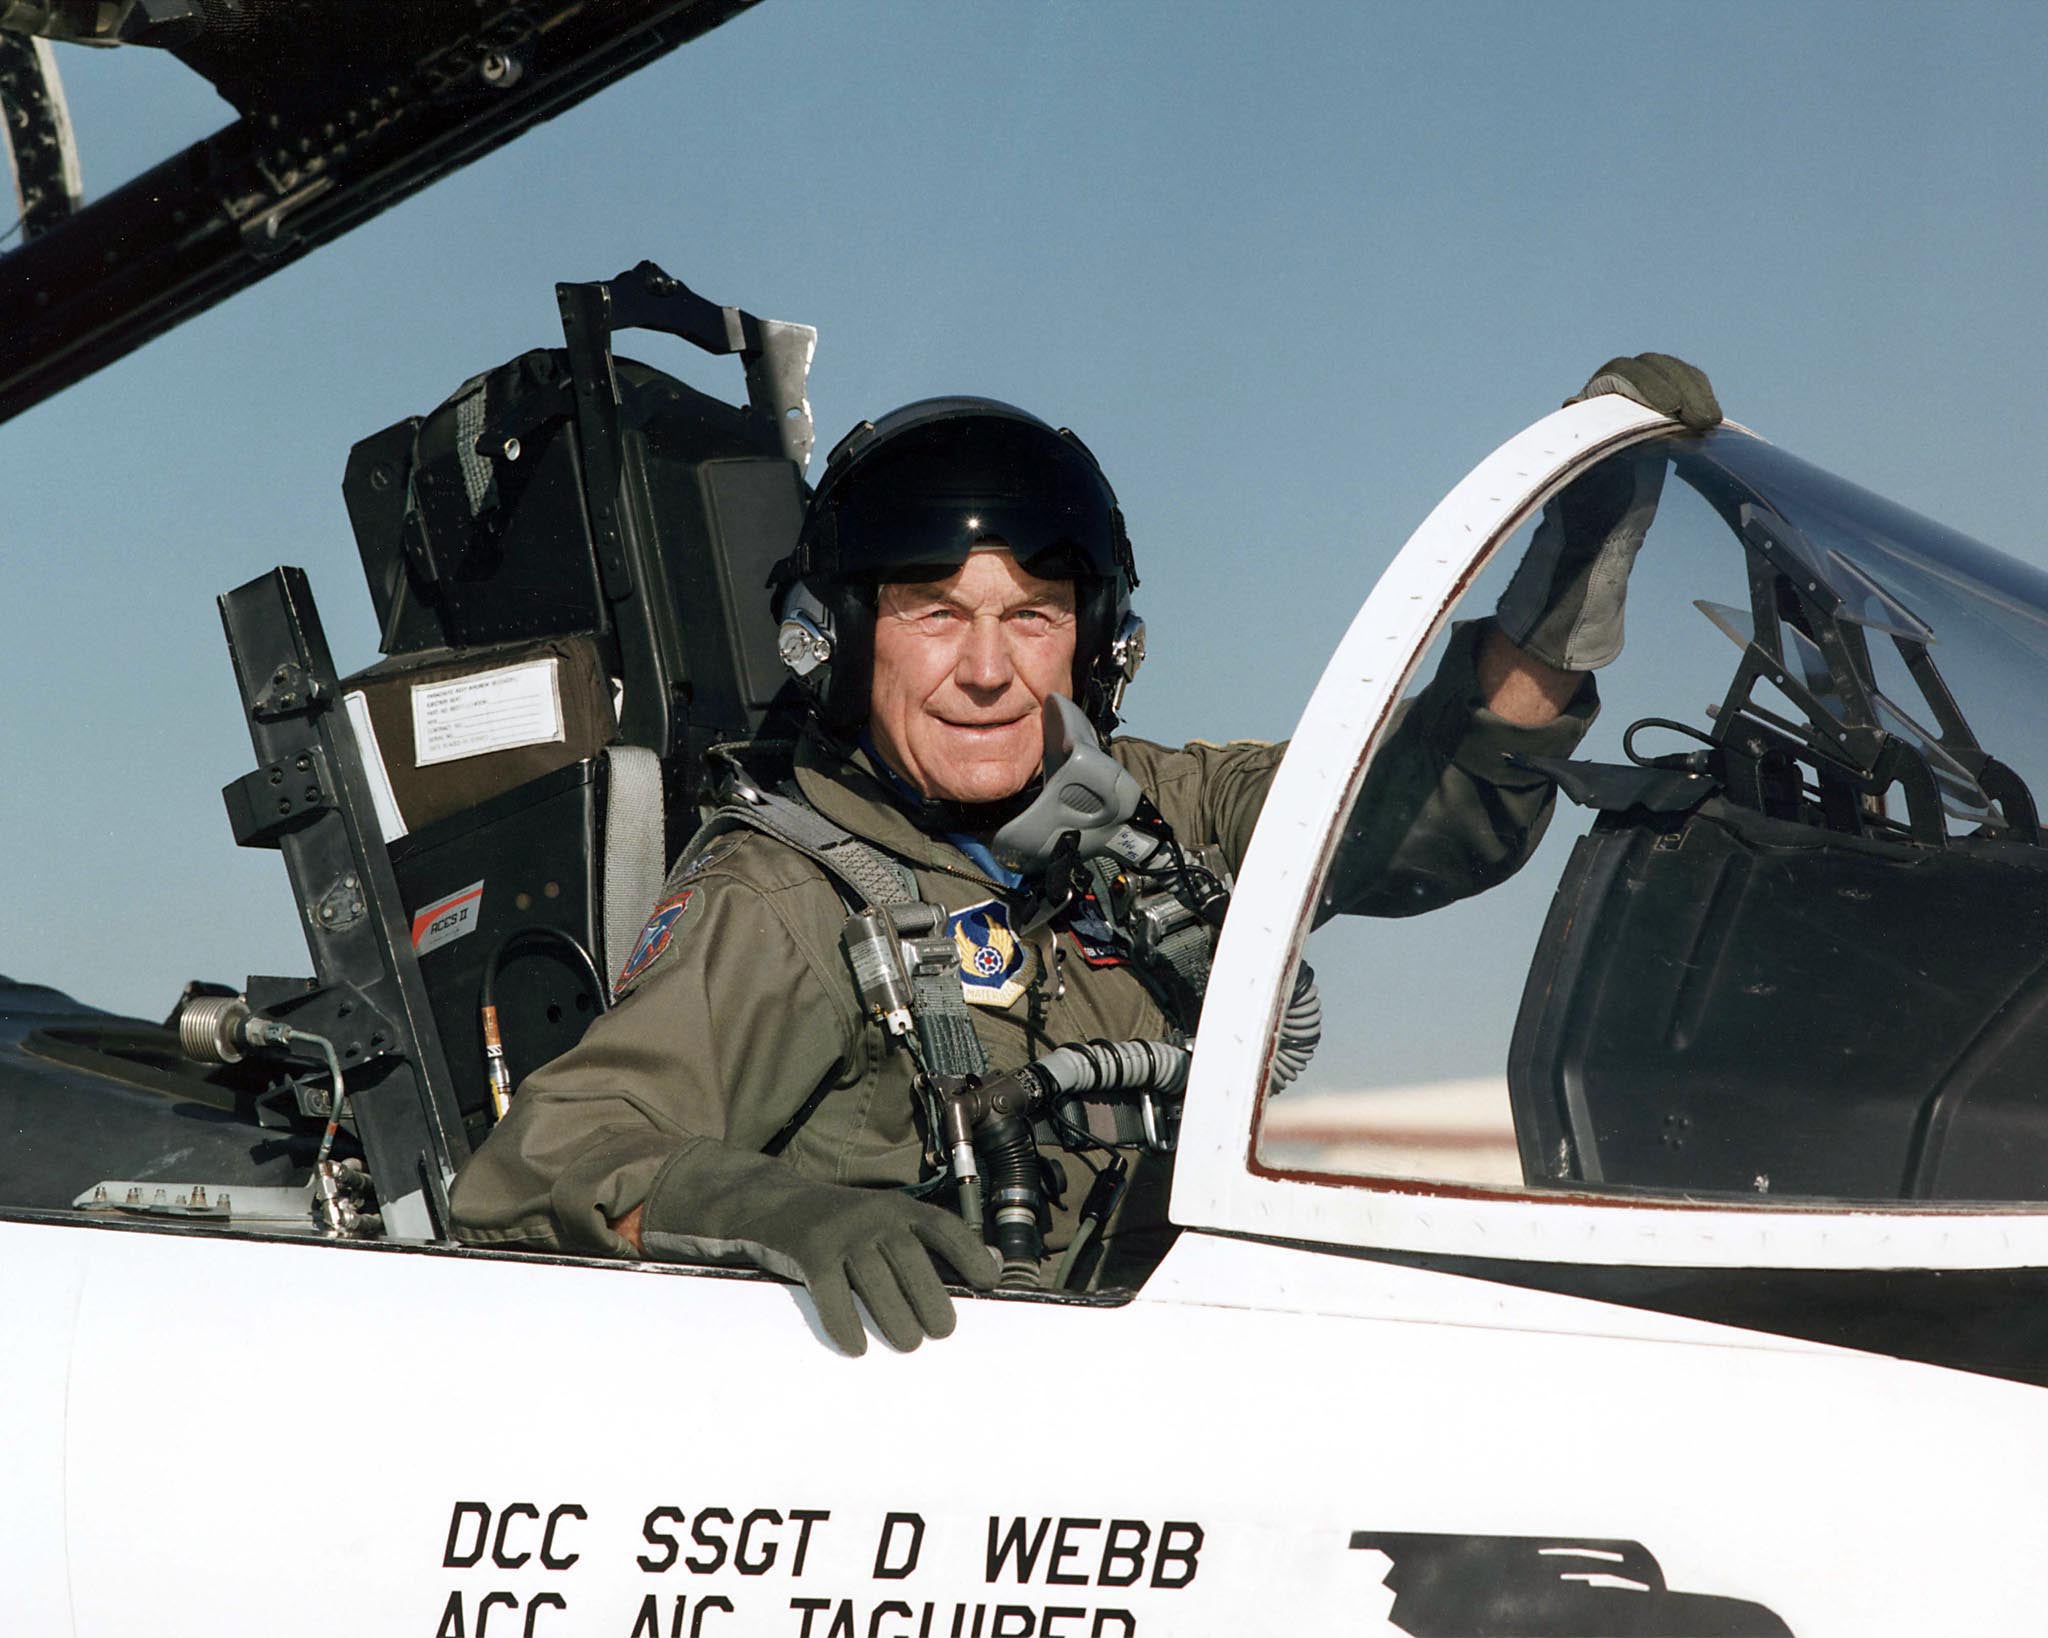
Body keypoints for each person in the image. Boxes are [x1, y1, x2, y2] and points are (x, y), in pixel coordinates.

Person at [449, 353, 1721, 1352]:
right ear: (838, 643)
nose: (988, 672)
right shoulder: (783, 896)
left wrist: (1576, 549)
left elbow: (1424, 816)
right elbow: (541, 1163)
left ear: (1095, 643)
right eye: (935, 614)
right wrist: (771, 1213)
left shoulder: (1154, 813)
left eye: (1032, 617)